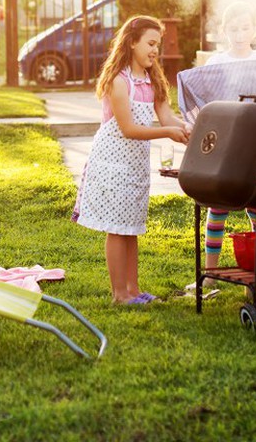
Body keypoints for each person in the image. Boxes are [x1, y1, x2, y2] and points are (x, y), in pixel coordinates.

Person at [72, 15, 190, 305]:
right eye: (150, 43)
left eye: (157, 45)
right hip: (111, 162)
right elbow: (128, 129)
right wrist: (167, 132)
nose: (155, 50)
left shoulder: (153, 80)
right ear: (132, 42)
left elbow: (166, 117)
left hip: (135, 163)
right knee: (117, 228)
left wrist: (187, 127)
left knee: (132, 226)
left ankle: (134, 291)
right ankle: (119, 294)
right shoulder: (118, 81)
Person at [185, 1, 256, 292]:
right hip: (224, 142)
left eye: (245, 27)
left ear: (255, 29)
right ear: (224, 31)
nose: (239, 33)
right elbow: (206, 101)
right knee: (217, 205)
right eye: (233, 28)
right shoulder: (215, 63)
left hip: (254, 142)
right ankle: (211, 271)